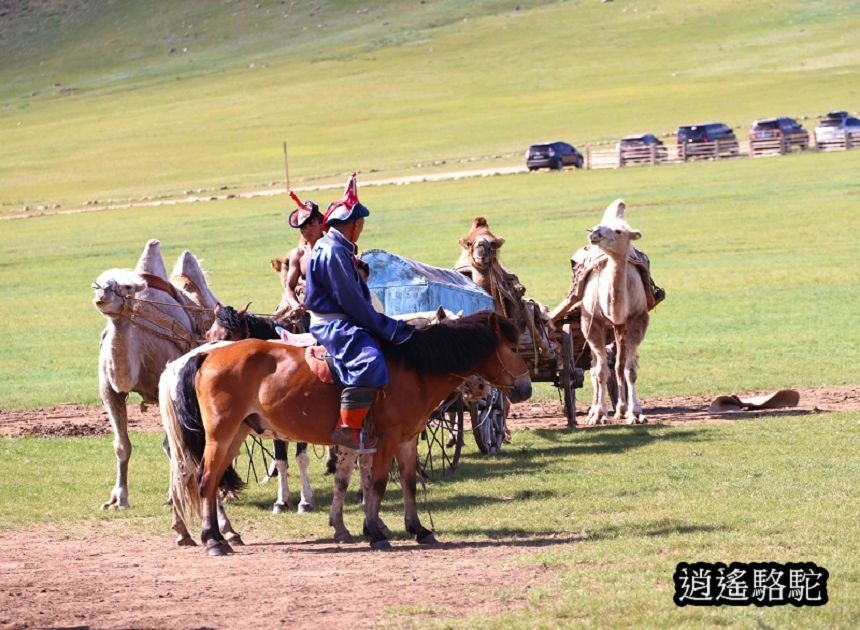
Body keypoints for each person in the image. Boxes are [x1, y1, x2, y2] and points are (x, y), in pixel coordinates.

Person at [304, 173, 414, 453]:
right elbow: (351, 301)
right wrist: (387, 327)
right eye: (360, 222)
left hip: (343, 318)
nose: (362, 226)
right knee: (369, 359)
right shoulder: (333, 252)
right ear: (353, 224)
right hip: (334, 324)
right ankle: (348, 429)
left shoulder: (337, 248)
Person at [274, 191, 324, 329]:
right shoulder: (298, 254)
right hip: (303, 314)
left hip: (329, 314)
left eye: (311, 224)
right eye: (303, 227)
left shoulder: (333, 250)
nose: (307, 230)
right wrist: (295, 305)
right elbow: (289, 287)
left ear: (321, 223)